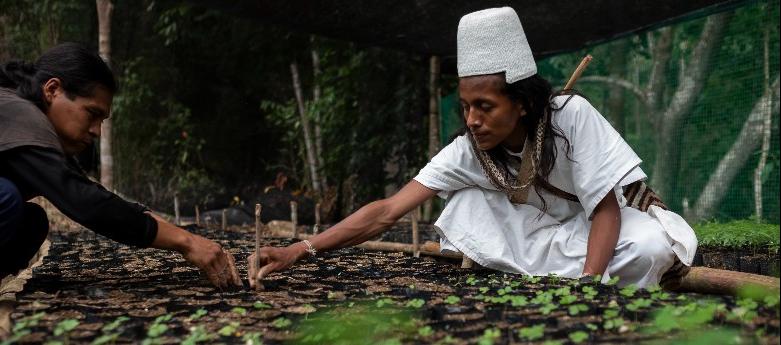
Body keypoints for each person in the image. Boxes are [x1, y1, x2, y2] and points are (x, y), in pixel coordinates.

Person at [248, 7, 697, 288]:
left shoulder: (571, 115)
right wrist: (299, 250)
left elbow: (606, 210)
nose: (471, 120)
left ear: (522, 104)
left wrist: (589, 287)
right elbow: (386, 211)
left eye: (484, 106)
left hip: (599, 233)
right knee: (465, 203)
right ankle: (551, 270)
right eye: (465, 106)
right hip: (541, 240)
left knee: (649, 249)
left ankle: (565, 274)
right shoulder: (469, 150)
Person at [0, 43, 241, 288]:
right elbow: (85, 202)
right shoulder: (19, 113)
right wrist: (187, 243)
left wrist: (185, 236)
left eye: (101, 120)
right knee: (6, 197)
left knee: (31, 222)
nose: (96, 131)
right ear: (52, 90)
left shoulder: (28, 124)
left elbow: (91, 192)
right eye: (91, 114)